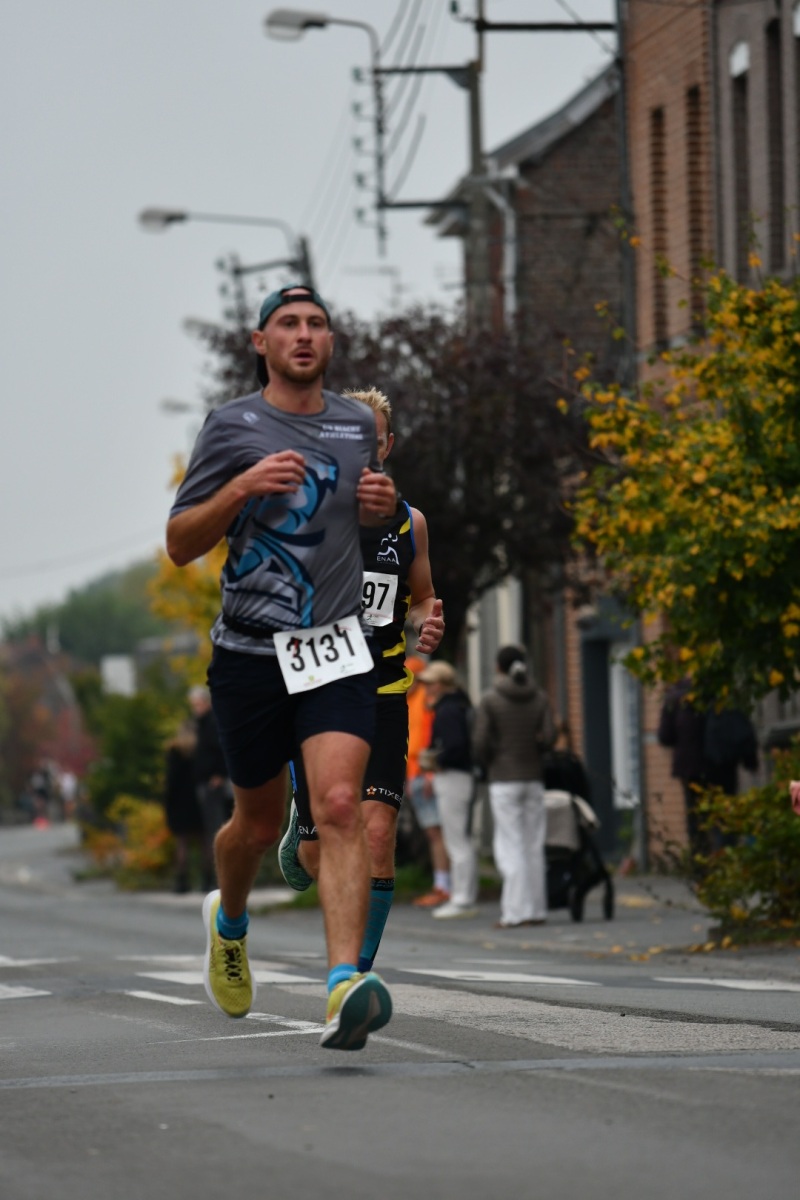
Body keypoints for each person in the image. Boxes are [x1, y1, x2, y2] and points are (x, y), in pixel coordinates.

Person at [166, 283, 399, 1051]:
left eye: (317, 324)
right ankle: (228, 921)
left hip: (335, 647)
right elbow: (180, 543)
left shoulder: (356, 424)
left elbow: (352, 523)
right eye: (288, 324)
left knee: (339, 804)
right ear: (260, 342)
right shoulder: (231, 426)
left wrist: (375, 508)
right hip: (250, 655)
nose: (304, 334)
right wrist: (241, 487)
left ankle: (343, 984)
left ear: (331, 342)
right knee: (259, 825)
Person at [279, 387, 445, 972]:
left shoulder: (410, 523)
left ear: (386, 446)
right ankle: (301, 816)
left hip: (383, 693)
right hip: (319, 690)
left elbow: (422, 598)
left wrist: (427, 622)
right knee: (316, 852)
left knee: (377, 834)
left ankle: (353, 976)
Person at [472, 645, 556, 929]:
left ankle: (515, 912)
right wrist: (536, 751)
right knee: (533, 843)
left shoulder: (491, 699)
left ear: (498, 667)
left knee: (511, 845)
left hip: (503, 778)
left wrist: (492, 759)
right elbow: (550, 736)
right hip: (533, 776)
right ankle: (537, 909)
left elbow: (480, 740)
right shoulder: (539, 697)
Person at [658, 678, 758, 857]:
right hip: (722, 766)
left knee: (696, 822)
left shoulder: (676, 696)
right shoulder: (723, 691)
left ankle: (701, 865)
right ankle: (726, 861)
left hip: (692, 770)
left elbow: (665, 736)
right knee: (725, 818)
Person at [418, 660, 479, 919]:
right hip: (460, 776)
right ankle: (465, 894)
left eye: (431, 683)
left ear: (442, 684)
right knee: (459, 838)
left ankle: (462, 898)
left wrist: (436, 761)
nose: (427, 687)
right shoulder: (459, 705)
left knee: (456, 840)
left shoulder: (448, 710)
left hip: (453, 776)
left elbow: (455, 746)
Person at [406, 656, 452, 908]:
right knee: (434, 832)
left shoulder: (426, 701)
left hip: (426, 774)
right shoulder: (411, 700)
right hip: (416, 773)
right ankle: (443, 884)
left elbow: (433, 739)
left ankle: (445, 886)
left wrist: (430, 773)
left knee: (437, 832)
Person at [188, 684, 232, 888]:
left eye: (198, 704)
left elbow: (221, 748)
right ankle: (215, 876)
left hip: (213, 782)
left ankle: (221, 877)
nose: (195, 708)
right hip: (204, 780)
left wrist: (219, 774)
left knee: (216, 828)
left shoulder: (212, 723)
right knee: (211, 829)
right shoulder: (201, 724)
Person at [163, 720, 210, 893]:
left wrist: (167, 802)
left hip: (180, 802)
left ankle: (182, 881)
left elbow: (171, 781)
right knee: (205, 842)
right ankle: (207, 880)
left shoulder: (174, 752)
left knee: (182, 844)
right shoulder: (201, 750)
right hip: (199, 801)